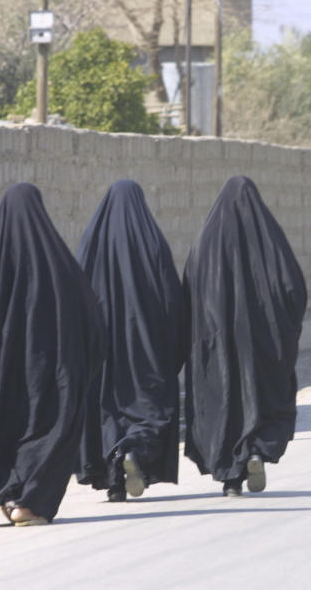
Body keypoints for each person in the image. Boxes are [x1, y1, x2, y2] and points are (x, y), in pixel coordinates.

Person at [0, 183, 106, 526]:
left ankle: (9, 492)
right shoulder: (60, 267)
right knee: (47, 431)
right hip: (49, 377)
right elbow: (92, 319)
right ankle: (29, 501)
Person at [182, 176, 307, 497]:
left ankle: (230, 478)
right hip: (264, 344)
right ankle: (255, 450)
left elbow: (189, 291)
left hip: (216, 342)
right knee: (263, 398)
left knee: (222, 403)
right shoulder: (270, 241)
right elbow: (294, 288)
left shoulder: (205, 243)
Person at [74, 180, 184, 502]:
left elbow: (74, 295)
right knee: (146, 404)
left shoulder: (90, 243)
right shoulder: (152, 243)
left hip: (100, 350)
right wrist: (173, 349)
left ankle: (114, 483)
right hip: (144, 348)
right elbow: (172, 300)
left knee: (105, 410)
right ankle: (134, 447)